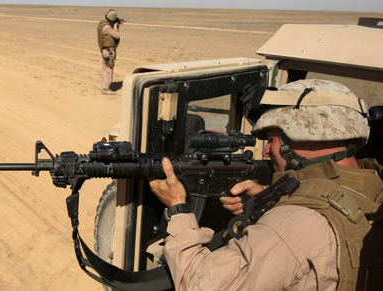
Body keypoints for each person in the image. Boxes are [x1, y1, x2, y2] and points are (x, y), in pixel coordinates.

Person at [149, 79, 383, 290]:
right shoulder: (373, 185)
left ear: (306, 135)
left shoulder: (291, 227)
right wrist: (271, 197)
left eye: (272, 139)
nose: (267, 150)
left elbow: (201, 285)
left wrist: (178, 208)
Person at [97, 9, 122, 95]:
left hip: (105, 50)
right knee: (109, 69)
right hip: (109, 50)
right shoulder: (107, 27)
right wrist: (115, 27)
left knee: (105, 68)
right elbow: (117, 35)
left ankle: (104, 86)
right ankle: (106, 88)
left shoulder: (102, 24)